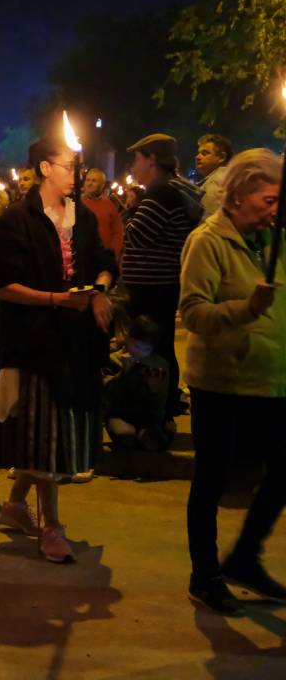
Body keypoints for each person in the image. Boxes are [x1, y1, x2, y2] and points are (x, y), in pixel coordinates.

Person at [0, 136, 116, 564]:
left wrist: (99, 292)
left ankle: (15, 504)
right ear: (44, 168)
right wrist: (55, 300)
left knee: (56, 428)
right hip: (36, 342)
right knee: (46, 435)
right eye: (67, 166)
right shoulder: (17, 219)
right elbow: (5, 286)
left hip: (76, 342)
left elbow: (102, 260)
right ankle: (52, 527)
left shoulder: (81, 217)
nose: (75, 176)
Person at [179, 148, 286, 615]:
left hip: (272, 381)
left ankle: (244, 557)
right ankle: (205, 575)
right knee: (212, 482)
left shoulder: (274, 238)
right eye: (268, 199)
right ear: (239, 195)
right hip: (223, 383)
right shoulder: (209, 241)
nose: (275, 208)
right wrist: (247, 310)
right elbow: (193, 313)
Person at [123, 134, 203, 417]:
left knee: (152, 347)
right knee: (161, 344)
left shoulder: (160, 193)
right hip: (160, 284)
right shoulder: (168, 191)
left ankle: (157, 410)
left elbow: (137, 235)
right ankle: (162, 405)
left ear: (152, 160)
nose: (134, 165)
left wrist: (130, 210)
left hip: (153, 287)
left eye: (137, 158)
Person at [102, 315, 174, 452]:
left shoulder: (159, 364)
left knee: (155, 438)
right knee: (125, 435)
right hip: (120, 414)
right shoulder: (114, 359)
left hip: (148, 417)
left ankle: (152, 435)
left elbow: (160, 403)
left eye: (146, 349)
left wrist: (154, 390)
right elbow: (106, 395)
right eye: (136, 346)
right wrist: (124, 373)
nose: (140, 352)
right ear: (128, 338)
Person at [81, 168, 124, 264]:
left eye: (94, 181)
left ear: (102, 185)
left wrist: (113, 253)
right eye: (88, 180)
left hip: (104, 258)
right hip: (81, 257)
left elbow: (118, 232)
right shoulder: (77, 203)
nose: (89, 183)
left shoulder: (109, 206)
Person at [195, 134, 233, 219]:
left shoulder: (215, 182)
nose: (197, 157)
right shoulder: (227, 178)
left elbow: (207, 223)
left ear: (222, 157)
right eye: (198, 153)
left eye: (205, 153)